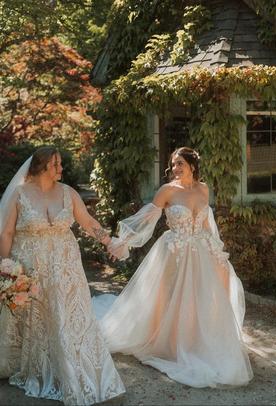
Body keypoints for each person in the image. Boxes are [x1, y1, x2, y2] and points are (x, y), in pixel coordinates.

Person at [94, 146, 253, 388]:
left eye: (180, 163)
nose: (175, 168)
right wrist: (122, 242)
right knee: (171, 297)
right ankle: (170, 342)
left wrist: (217, 252)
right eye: (173, 163)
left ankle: (195, 341)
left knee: (200, 297)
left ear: (192, 165)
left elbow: (207, 223)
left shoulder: (203, 188)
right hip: (174, 251)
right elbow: (147, 219)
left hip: (201, 250)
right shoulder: (167, 191)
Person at [0, 146, 125, 405]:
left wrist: (109, 242)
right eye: (56, 164)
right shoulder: (19, 195)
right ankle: (40, 367)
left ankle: (77, 370)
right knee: (37, 319)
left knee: (69, 317)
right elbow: (7, 234)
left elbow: (88, 222)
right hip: (31, 269)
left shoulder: (68, 193)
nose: (61, 168)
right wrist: (6, 268)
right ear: (42, 166)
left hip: (66, 269)